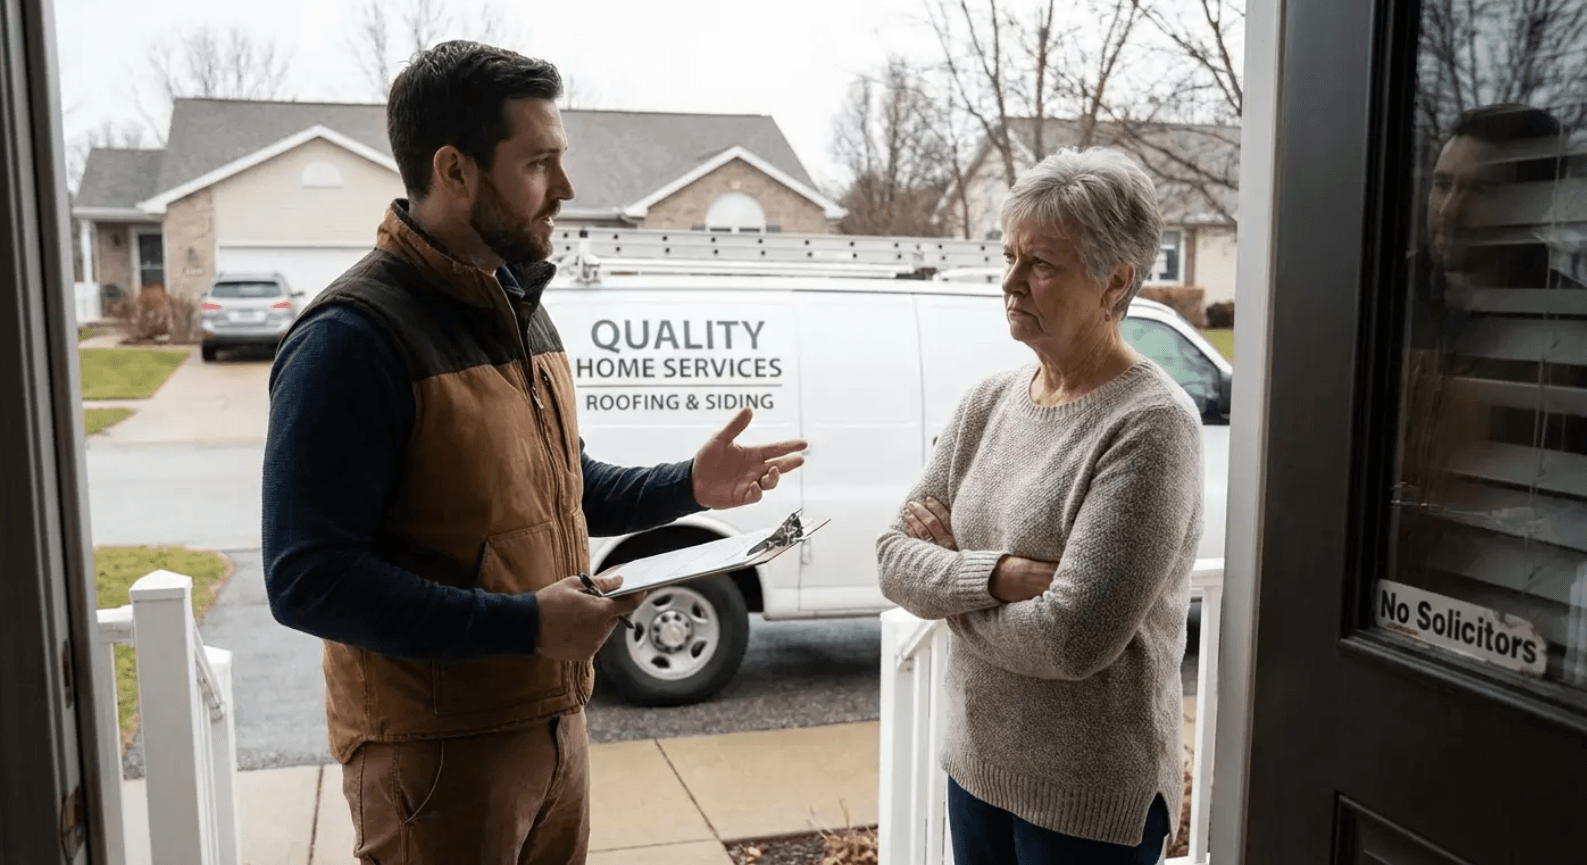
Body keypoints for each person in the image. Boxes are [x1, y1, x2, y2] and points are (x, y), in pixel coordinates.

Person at [261, 41, 805, 865]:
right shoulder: (350, 341)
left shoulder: (516, 302)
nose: (567, 189)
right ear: (455, 169)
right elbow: (308, 578)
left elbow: (563, 485)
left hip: (552, 726)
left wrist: (689, 484)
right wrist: (526, 624)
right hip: (435, 756)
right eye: (539, 163)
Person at [876, 147, 1202, 864]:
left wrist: (948, 579)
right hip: (976, 765)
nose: (1009, 281)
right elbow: (891, 559)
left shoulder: (1151, 425)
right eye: (1008, 256)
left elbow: (1071, 639)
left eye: (1042, 264)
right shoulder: (986, 402)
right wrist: (994, 576)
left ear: (1114, 280)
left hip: (1085, 796)